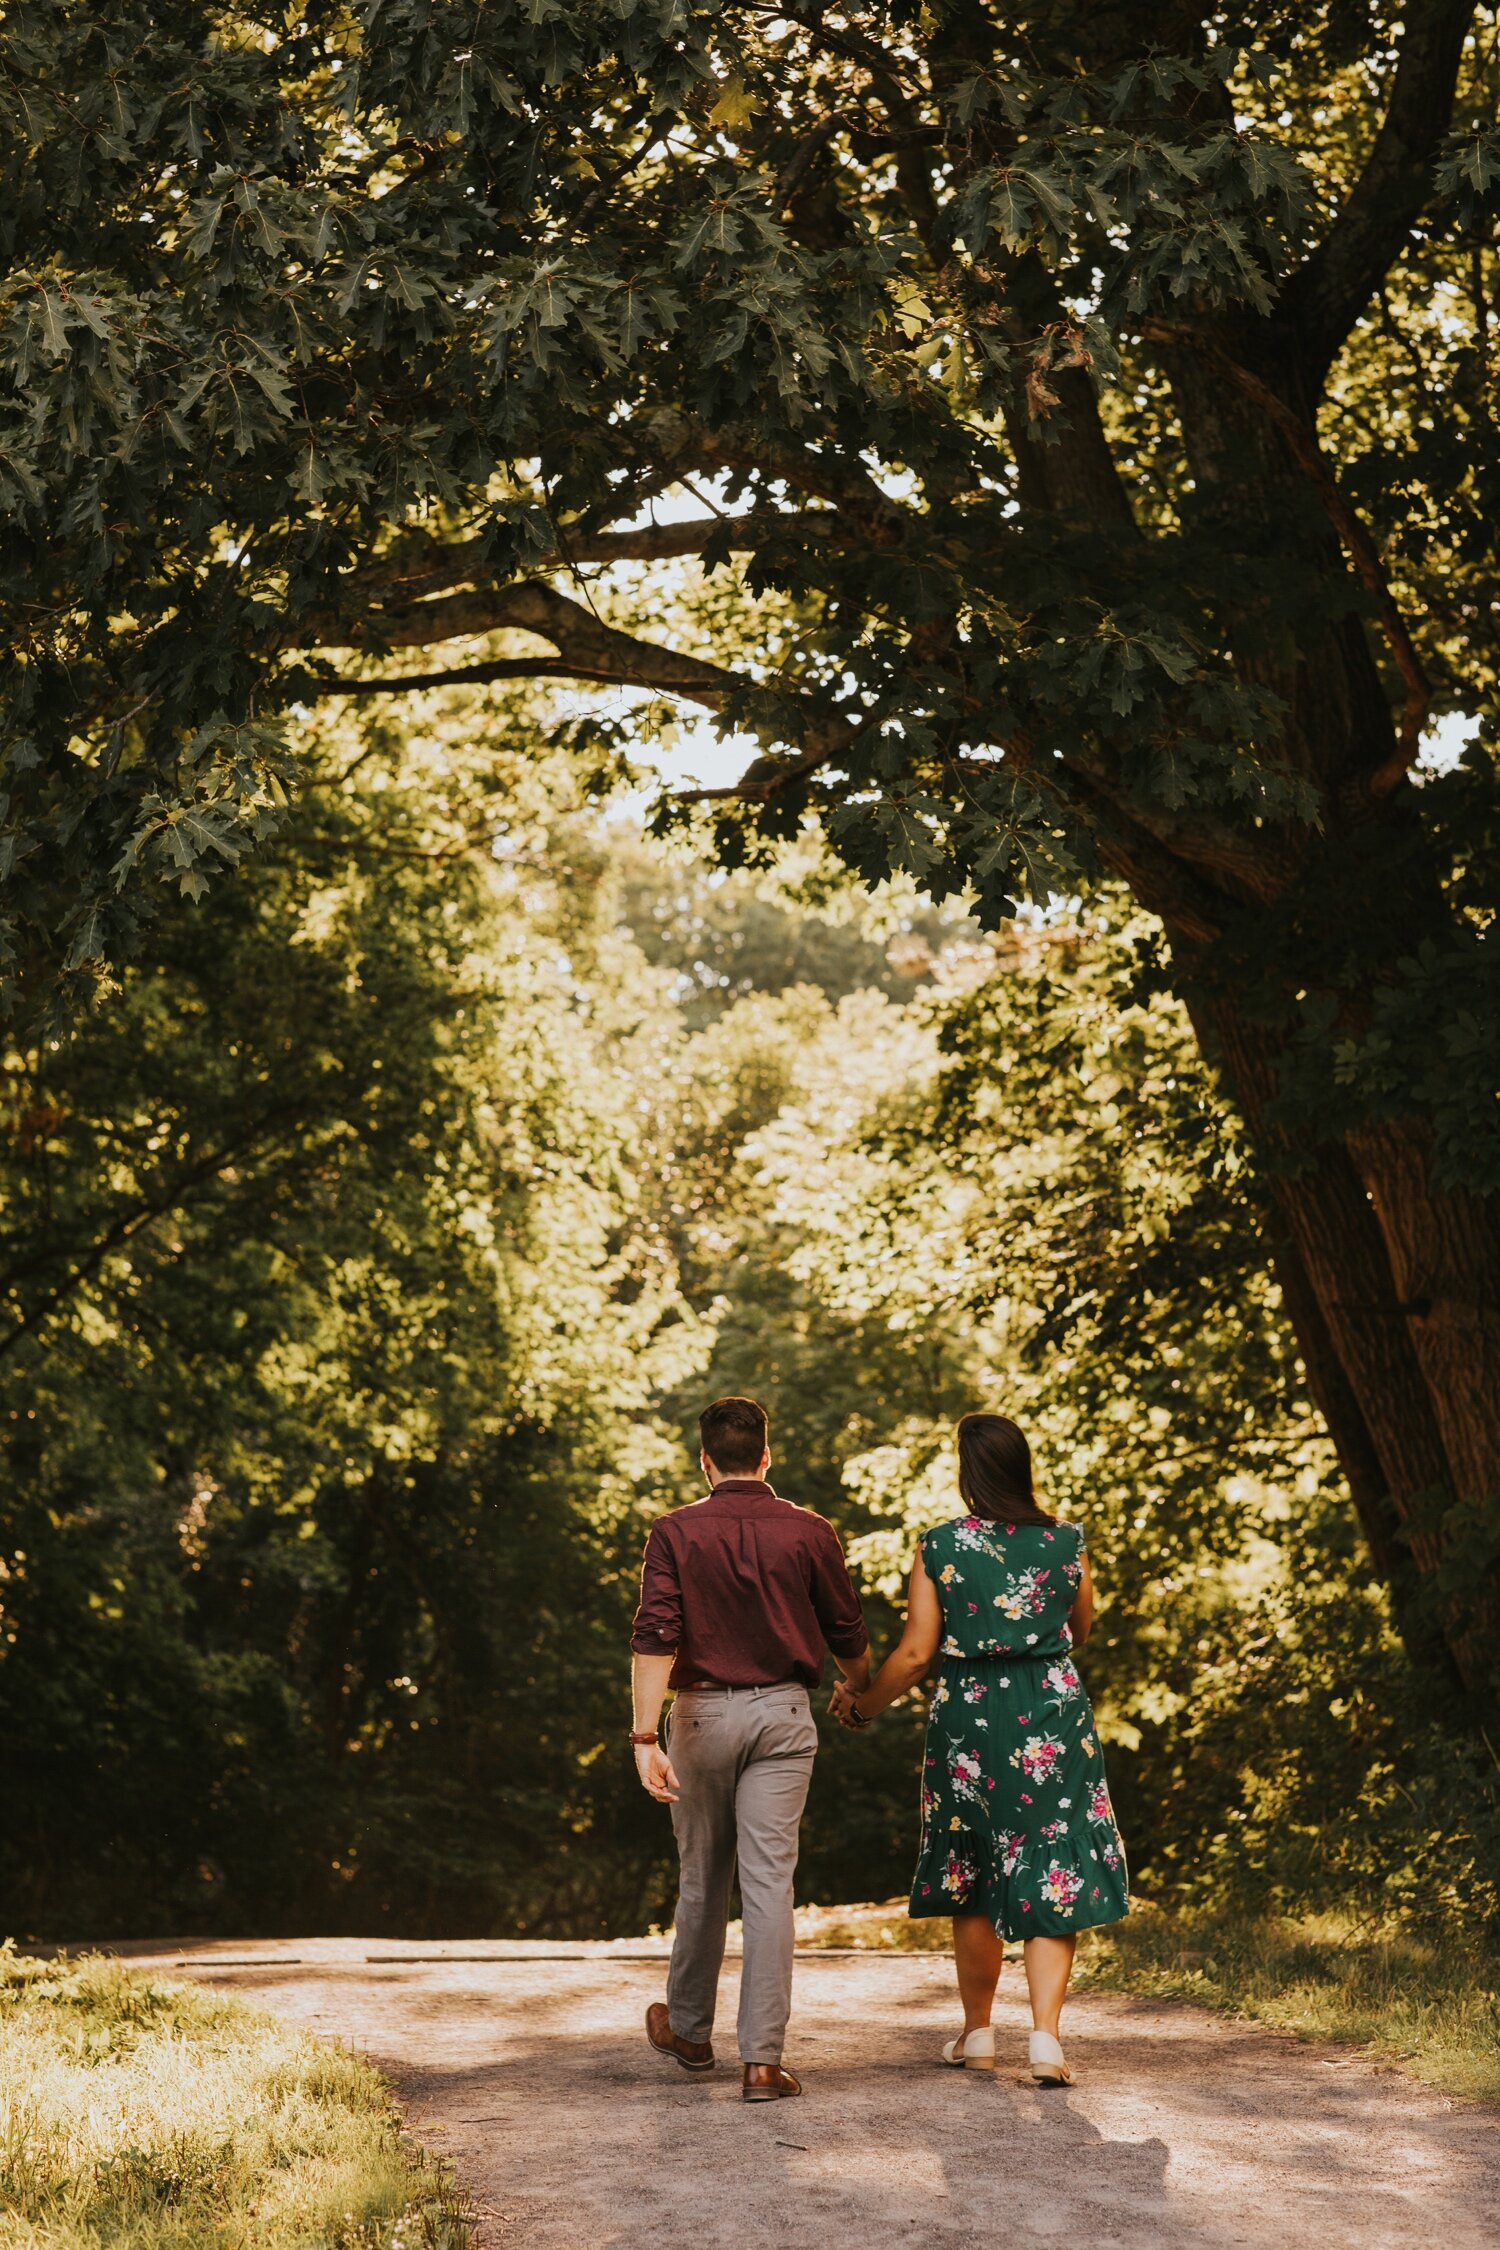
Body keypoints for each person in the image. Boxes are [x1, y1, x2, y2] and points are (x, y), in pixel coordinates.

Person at [830, 1411, 1128, 2085]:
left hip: (970, 1715)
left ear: (969, 1475)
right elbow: (1078, 1629)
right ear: (1021, 1469)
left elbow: (913, 1654)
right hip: (1051, 1714)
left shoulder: (941, 1545)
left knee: (973, 1867)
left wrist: (865, 1705)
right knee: (1054, 1857)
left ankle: (980, 2034)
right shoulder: (1067, 1543)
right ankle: (1047, 2040)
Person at [630, 1395, 871, 2102]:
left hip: (700, 1715)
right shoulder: (809, 1530)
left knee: (704, 1877)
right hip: (785, 1716)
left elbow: (655, 1636)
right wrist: (857, 1691)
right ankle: (762, 2063)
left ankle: (690, 2030)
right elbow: (846, 1630)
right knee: (770, 1885)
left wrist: (646, 1737)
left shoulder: (673, 1532)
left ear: (704, 1460)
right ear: (767, 1455)